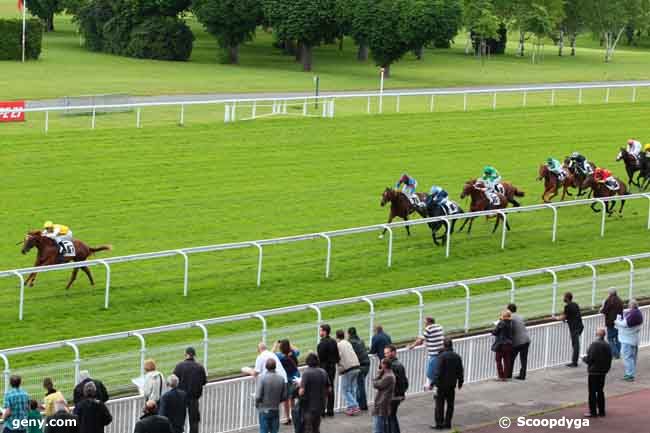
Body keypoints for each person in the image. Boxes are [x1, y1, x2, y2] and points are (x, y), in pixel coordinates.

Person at [173, 347, 207, 433]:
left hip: (181, 397)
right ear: (194, 355)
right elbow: (204, 382)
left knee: (179, 420)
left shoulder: (179, 366)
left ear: (186, 354)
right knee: (194, 421)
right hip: (194, 398)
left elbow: (173, 381)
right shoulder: (200, 367)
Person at [432, 338, 464, 430]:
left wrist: (433, 382)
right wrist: (460, 382)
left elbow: (438, 371)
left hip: (441, 385)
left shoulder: (442, 356)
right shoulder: (457, 356)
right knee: (450, 405)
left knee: (439, 405)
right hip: (451, 384)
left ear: (444, 345)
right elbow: (460, 371)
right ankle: (448, 423)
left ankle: (439, 423)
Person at [581, 328, 612, 418]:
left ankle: (593, 411)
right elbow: (609, 358)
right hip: (603, 371)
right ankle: (602, 411)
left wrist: (583, 358)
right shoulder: (607, 345)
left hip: (594, 372)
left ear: (597, 335)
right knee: (600, 391)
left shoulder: (594, 345)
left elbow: (590, 359)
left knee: (592, 392)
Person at [407, 317, 444, 390]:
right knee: (437, 370)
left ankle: (429, 385)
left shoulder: (428, 329)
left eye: (425, 323)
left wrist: (412, 346)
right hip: (441, 353)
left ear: (429, 322)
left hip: (434, 354)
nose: (424, 324)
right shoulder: (439, 327)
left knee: (431, 371)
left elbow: (420, 340)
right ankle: (430, 385)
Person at [298, 353, 329, 433]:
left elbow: (301, 392)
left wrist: (298, 386)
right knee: (316, 427)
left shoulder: (306, 373)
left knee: (308, 428)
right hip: (321, 405)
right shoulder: (323, 372)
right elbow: (329, 389)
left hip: (309, 406)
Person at [255, 358, 287, 433]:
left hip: (264, 409)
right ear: (275, 366)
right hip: (275, 408)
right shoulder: (281, 378)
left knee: (264, 430)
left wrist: (257, 404)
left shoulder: (262, 378)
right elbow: (284, 396)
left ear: (266, 367)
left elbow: (258, 396)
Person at [615, 299, 643, 381]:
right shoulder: (638, 313)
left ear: (631, 305)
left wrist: (617, 322)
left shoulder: (633, 314)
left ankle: (630, 374)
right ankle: (630, 373)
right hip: (633, 339)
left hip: (627, 340)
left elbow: (625, 324)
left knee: (627, 357)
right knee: (632, 357)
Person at [273, 339, 300, 425]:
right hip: (296, 378)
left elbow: (271, 354)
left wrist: (275, 345)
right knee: (294, 398)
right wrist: (290, 344)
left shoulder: (280, 356)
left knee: (286, 399)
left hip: (287, 379)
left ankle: (288, 417)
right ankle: (295, 416)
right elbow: (298, 350)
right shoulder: (293, 353)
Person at [555, 292, 584, 367]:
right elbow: (570, 315)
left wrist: (556, 318)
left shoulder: (567, 306)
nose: (563, 298)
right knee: (576, 344)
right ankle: (574, 361)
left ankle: (574, 362)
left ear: (567, 298)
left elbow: (564, 316)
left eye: (564, 297)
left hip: (574, 327)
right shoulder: (575, 304)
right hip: (579, 326)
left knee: (575, 345)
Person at [335, 329, 361, 415]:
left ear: (336, 337)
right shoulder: (348, 342)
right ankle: (351, 408)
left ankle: (355, 405)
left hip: (348, 369)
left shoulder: (338, 345)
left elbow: (338, 357)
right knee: (351, 389)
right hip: (357, 366)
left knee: (345, 390)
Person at [316, 324, 339, 417]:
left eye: (320, 330)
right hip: (332, 368)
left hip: (323, 369)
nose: (319, 332)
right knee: (331, 388)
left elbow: (320, 358)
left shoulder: (322, 344)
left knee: (322, 389)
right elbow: (337, 357)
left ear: (324, 332)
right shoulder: (333, 341)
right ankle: (330, 410)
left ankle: (322, 411)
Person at [384, 345, 408, 433]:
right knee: (392, 416)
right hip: (398, 394)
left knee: (390, 417)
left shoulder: (392, 366)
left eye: (387, 353)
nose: (386, 355)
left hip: (393, 395)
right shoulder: (399, 365)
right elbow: (405, 382)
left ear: (393, 352)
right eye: (385, 353)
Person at [347, 327, 370, 411]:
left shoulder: (350, 342)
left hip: (360, 366)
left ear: (349, 333)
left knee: (359, 387)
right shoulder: (361, 341)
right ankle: (361, 405)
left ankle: (360, 406)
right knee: (360, 386)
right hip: (366, 364)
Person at [507, 304, 530, 380]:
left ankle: (508, 374)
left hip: (518, 342)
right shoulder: (520, 316)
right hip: (526, 340)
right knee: (523, 359)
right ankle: (522, 376)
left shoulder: (511, 318)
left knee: (511, 358)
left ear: (509, 310)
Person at [372, 358, 395, 433]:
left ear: (385, 365)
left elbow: (376, 384)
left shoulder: (388, 376)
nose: (380, 365)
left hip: (382, 404)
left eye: (381, 363)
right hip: (383, 403)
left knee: (378, 427)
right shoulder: (387, 374)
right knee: (382, 425)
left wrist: (378, 375)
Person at [599, 288, 624, 359]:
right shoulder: (620, 300)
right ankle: (618, 353)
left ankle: (616, 354)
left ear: (610, 293)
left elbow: (604, 310)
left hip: (611, 322)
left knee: (610, 338)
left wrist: (601, 310)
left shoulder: (609, 300)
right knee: (617, 338)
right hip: (619, 322)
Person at [491, 310, 513, 381]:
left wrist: (496, 326)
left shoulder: (501, 323)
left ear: (503, 316)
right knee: (507, 361)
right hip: (509, 344)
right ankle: (505, 376)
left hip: (501, 345)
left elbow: (495, 332)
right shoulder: (511, 322)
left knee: (498, 361)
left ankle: (501, 376)